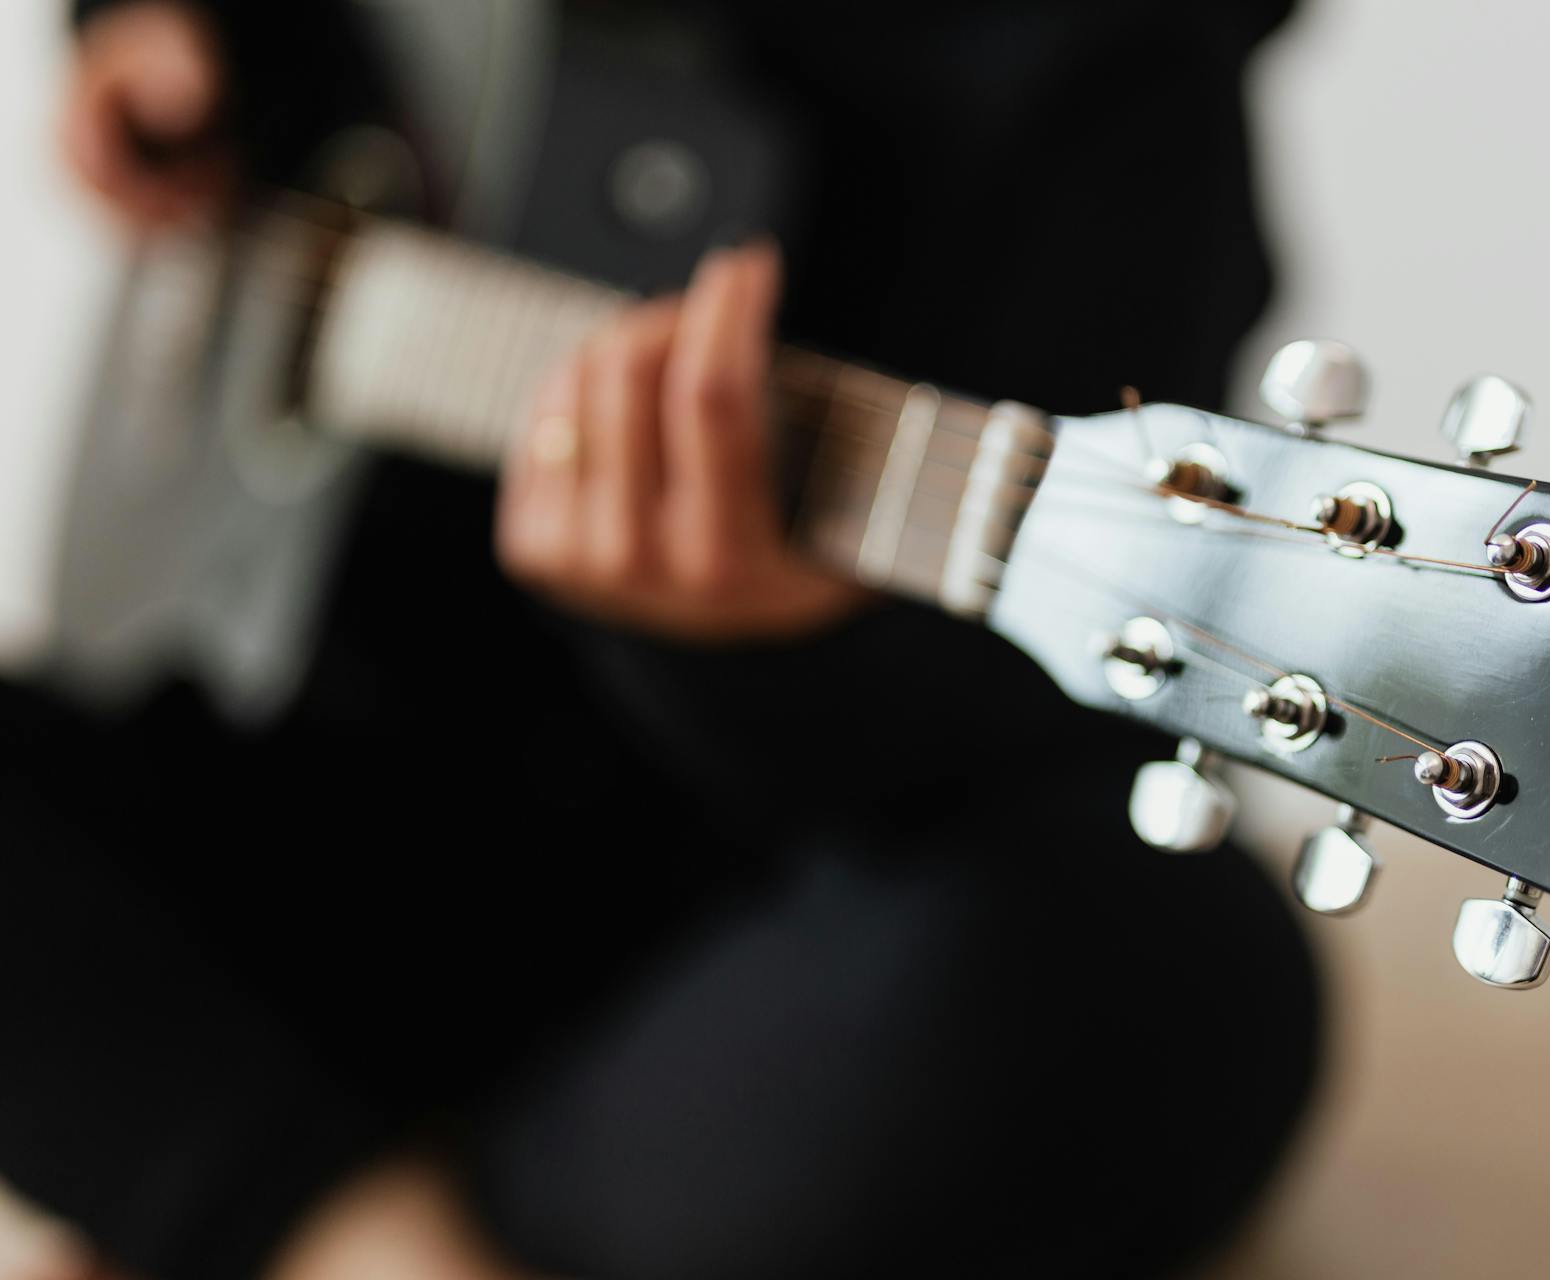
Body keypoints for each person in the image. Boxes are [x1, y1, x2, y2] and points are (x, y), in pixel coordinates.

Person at [1, 1, 1320, 1277]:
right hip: (318, 821)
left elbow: (1057, 732)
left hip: (711, 946)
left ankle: (242, 1166)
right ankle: (349, 1233)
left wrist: (774, 646)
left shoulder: (1117, 78)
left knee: (1171, 973)